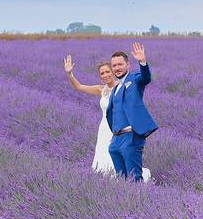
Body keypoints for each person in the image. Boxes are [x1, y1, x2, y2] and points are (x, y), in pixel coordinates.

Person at [63, 53, 151, 182]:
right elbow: (79, 86)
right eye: (102, 73)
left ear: (113, 72)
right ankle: (113, 187)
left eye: (108, 71)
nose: (105, 75)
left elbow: (144, 79)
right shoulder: (101, 90)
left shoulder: (124, 85)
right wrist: (69, 73)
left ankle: (134, 185)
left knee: (129, 166)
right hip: (106, 128)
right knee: (106, 161)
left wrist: (142, 62)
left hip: (123, 128)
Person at [105, 42, 158, 182]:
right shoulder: (115, 88)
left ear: (128, 65)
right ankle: (126, 203)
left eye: (120, 64)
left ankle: (140, 203)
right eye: (114, 65)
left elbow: (145, 78)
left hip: (131, 137)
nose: (117, 68)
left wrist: (143, 62)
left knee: (134, 179)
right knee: (121, 180)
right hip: (116, 139)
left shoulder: (134, 80)